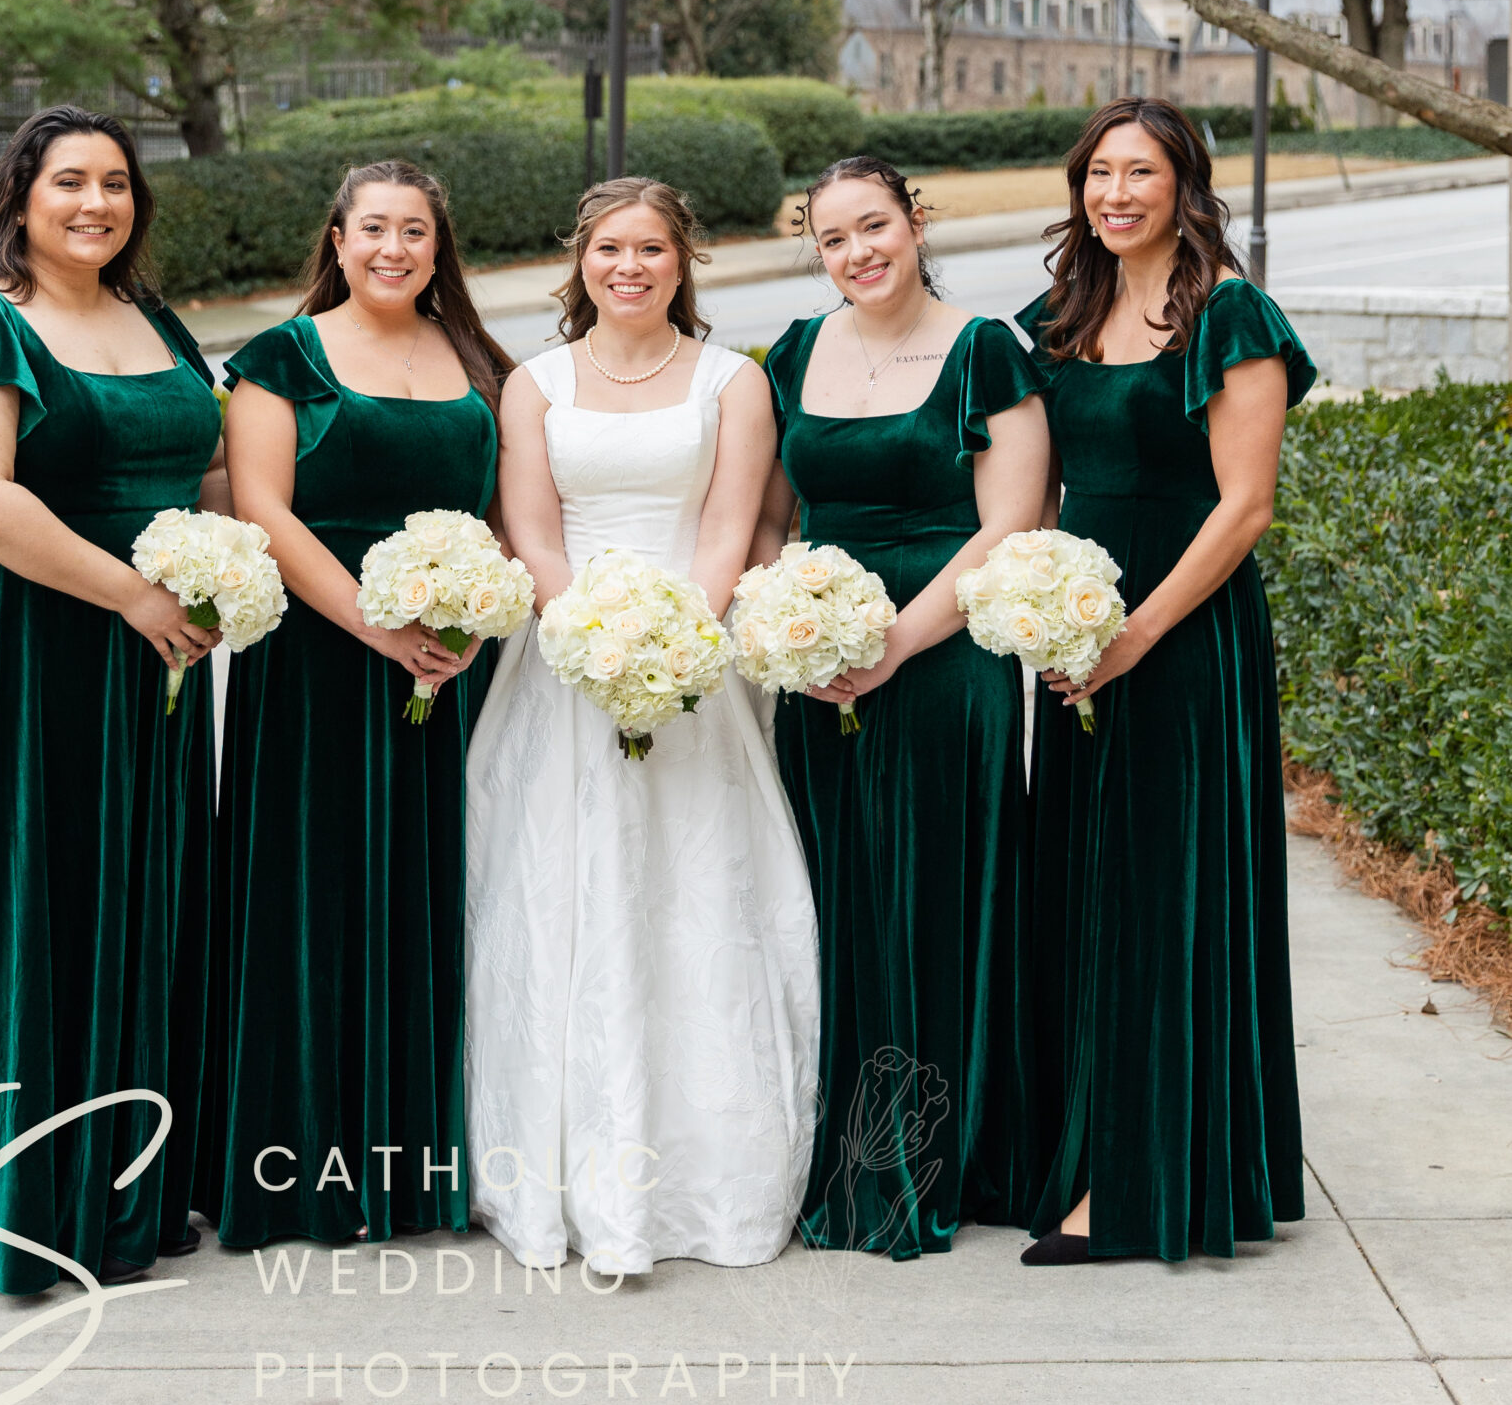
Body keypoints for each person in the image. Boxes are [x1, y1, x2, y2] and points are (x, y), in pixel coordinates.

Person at [0, 107, 225, 1291]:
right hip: (34, 649)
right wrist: (132, 594)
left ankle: (121, 1190)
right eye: (69, 181)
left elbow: (212, 467)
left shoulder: (155, 320)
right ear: (20, 197)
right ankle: (21, 1203)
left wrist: (234, 571)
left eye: (117, 184)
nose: (96, 203)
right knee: (36, 901)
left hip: (156, 660)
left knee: (142, 900)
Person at [465, 176, 819, 1274]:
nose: (630, 267)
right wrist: (585, 639)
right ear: (580, 260)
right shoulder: (532, 384)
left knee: (693, 900)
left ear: (683, 261)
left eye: (652, 249)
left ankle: (702, 1185)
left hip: (691, 661)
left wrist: (669, 647)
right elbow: (529, 525)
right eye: (610, 248)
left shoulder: (731, 383)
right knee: (558, 902)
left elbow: (727, 530)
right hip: (559, 663)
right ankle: (556, 1175)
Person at [1018, 97, 1315, 1266]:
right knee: (1085, 893)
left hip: (1179, 633)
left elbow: (1243, 505)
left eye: (1140, 172)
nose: (1115, 193)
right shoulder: (1058, 314)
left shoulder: (1227, 312)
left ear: (1186, 185)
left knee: (1161, 897)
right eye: (1098, 172)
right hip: (1074, 630)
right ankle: (1084, 1148)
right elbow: (1037, 489)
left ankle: (1143, 1181)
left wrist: (1133, 635)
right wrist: (1036, 606)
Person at [198, 159, 513, 1247]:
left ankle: (418, 1160)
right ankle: (299, 1164)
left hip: (452, 667)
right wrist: (378, 629)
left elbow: (506, 511)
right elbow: (265, 512)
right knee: (314, 894)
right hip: (320, 669)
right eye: (372, 228)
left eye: (414, 230)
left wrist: (473, 619)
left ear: (439, 246)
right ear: (334, 240)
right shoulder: (283, 357)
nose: (393, 248)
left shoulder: (475, 358)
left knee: (436, 893)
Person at [754, 155, 1048, 1258]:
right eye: (832, 239)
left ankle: (936, 1158)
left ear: (916, 222)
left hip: (942, 659)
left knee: (935, 899)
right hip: (818, 665)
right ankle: (839, 1148)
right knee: (833, 902)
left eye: (872, 226)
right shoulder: (792, 351)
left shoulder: (984, 350)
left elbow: (1005, 525)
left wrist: (889, 644)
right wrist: (789, 621)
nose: (856, 253)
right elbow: (774, 516)